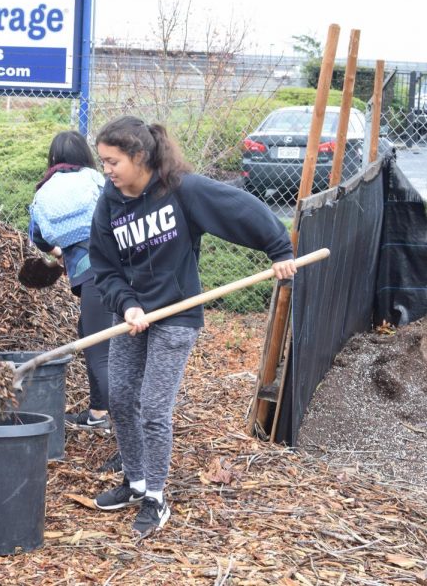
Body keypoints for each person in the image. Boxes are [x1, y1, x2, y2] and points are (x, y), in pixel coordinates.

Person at [87, 116, 297, 538]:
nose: (106, 170)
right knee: (122, 398)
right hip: (131, 316)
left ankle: (156, 498)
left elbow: (239, 209)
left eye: (113, 161)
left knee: (152, 407)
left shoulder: (180, 189)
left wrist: (279, 248)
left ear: (140, 157)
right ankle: (135, 480)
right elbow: (104, 267)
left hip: (177, 314)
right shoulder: (110, 200)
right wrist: (126, 305)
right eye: (103, 161)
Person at [28, 131, 116, 439]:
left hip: (96, 274)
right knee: (89, 334)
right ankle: (98, 412)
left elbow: (38, 236)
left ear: (53, 159)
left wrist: (62, 251)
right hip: (125, 267)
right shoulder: (99, 180)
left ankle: (127, 431)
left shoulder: (46, 192)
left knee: (98, 349)